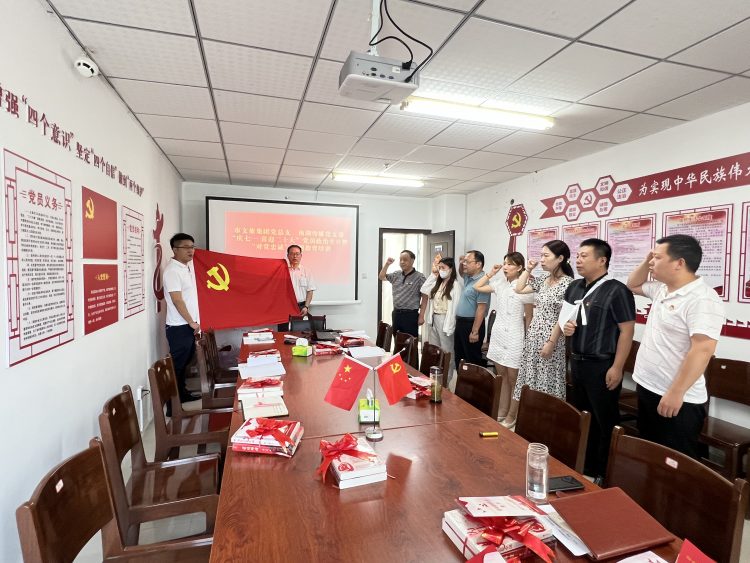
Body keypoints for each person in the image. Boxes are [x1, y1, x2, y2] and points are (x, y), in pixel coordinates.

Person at [626, 234, 724, 459]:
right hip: (649, 385)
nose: (652, 262)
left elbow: (703, 349)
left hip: (676, 397)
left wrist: (676, 392)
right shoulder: (662, 288)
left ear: (679, 263)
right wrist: (648, 258)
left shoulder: (702, 298)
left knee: (674, 463)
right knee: (650, 454)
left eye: (658, 257)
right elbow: (633, 284)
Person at [558, 239, 635, 480]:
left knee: (605, 421)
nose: (578, 260)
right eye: (578, 256)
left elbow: (627, 331)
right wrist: (567, 328)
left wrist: (617, 367)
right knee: (583, 416)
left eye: (584, 256)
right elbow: (566, 320)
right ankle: (586, 467)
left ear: (602, 260)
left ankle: (606, 472)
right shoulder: (574, 287)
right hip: (577, 362)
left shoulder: (617, 290)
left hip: (602, 364)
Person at [509, 240, 574, 429]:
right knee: (530, 379)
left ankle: (546, 426)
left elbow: (563, 317)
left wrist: (551, 342)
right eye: (541, 255)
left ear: (560, 258)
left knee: (546, 381)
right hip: (533, 336)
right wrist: (528, 269)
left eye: (546, 256)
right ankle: (529, 423)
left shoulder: (569, 284)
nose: (542, 259)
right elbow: (519, 288)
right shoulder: (544, 280)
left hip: (550, 339)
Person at [474, 252, 535, 422]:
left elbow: (529, 317)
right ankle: (502, 409)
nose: (505, 267)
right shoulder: (500, 283)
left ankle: (512, 414)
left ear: (520, 267)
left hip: (515, 336)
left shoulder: (525, 288)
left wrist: (528, 340)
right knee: (501, 375)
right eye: (505, 263)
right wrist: (491, 273)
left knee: (514, 377)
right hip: (499, 334)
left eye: (510, 264)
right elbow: (477, 287)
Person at [163, 233, 201, 403]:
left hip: (187, 325)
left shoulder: (186, 268)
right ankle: (173, 404)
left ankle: (182, 395)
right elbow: (177, 300)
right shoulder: (172, 271)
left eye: (192, 247)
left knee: (185, 363)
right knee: (177, 365)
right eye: (186, 247)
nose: (190, 251)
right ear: (175, 249)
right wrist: (191, 322)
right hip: (178, 326)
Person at [419, 255, 461, 382]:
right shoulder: (438, 283)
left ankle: (446, 380)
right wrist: (433, 274)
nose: (441, 270)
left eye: (443, 268)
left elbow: (455, 308)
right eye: (439, 267)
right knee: (435, 350)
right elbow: (424, 289)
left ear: (451, 269)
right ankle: (435, 378)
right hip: (434, 319)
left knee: (447, 352)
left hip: (446, 320)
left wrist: (451, 325)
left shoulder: (455, 285)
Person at [454, 250, 490, 370]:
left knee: (471, 360)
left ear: (478, 264)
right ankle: (461, 381)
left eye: (467, 262)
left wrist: (475, 332)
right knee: (459, 357)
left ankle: (472, 383)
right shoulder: (469, 277)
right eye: (464, 262)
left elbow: (481, 308)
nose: (464, 264)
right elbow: (461, 272)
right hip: (461, 323)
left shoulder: (483, 282)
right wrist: (461, 262)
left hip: (472, 325)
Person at [379, 250, 427, 338]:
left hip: (410, 315)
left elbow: (425, 297)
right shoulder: (396, 274)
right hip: (396, 314)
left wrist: (421, 316)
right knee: (397, 340)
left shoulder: (419, 277)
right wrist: (387, 264)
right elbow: (381, 277)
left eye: (405, 260)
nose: (402, 262)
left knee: (410, 341)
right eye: (400, 260)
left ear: (412, 261)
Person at [283, 244, 316, 330]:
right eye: (292, 254)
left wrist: (306, 306)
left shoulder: (306, 271)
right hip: (285, 306)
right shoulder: (282, 270)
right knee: (284, 331)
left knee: (300, 331)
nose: (295, 256)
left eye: (297, 254)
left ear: (301, 256)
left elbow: (310, 291)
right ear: (288, 256)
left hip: (301, 307)